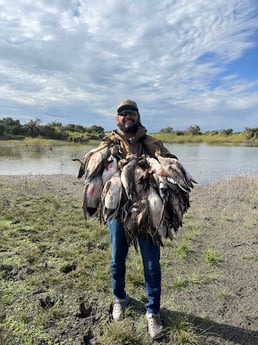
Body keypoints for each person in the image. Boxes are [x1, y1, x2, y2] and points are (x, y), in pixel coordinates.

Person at [107, 99, 178, 340]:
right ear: (117, 118)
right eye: (122, 114)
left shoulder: (152, 142)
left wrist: (162, 165)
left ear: (138, 116)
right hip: (118, 212)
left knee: (151, 264)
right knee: (117, 258)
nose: (127, 117)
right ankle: (120, 298)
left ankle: (152, 311)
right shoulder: (108, 144)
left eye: (131, 113)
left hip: (149, 212)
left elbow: (170, 164)